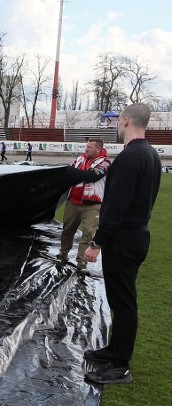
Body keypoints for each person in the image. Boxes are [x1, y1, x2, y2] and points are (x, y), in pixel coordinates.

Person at [83, 103, 161, 385]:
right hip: (136, 235)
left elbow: (116, 207)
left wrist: (96, 243)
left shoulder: (131, 157)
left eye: (118, 121)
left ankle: (120, 366)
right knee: (120, 299)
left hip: (125, 239)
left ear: (126, 121)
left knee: (123, 302)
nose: (116, 126)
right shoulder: (151, 154)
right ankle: (114, 351)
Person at [59, 138, 111, 274]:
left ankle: (81, 263)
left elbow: (93, 176)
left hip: (92, 205)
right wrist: (84, 175)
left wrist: (79, 174)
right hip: (73, 202)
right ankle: (63, 255)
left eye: (89, 147)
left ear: (98, 149)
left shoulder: (105, 162)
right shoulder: (80, 159)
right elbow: (69, 173)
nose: (86, 149)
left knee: (88, 232)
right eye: (86, 146)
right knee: (67, 230)